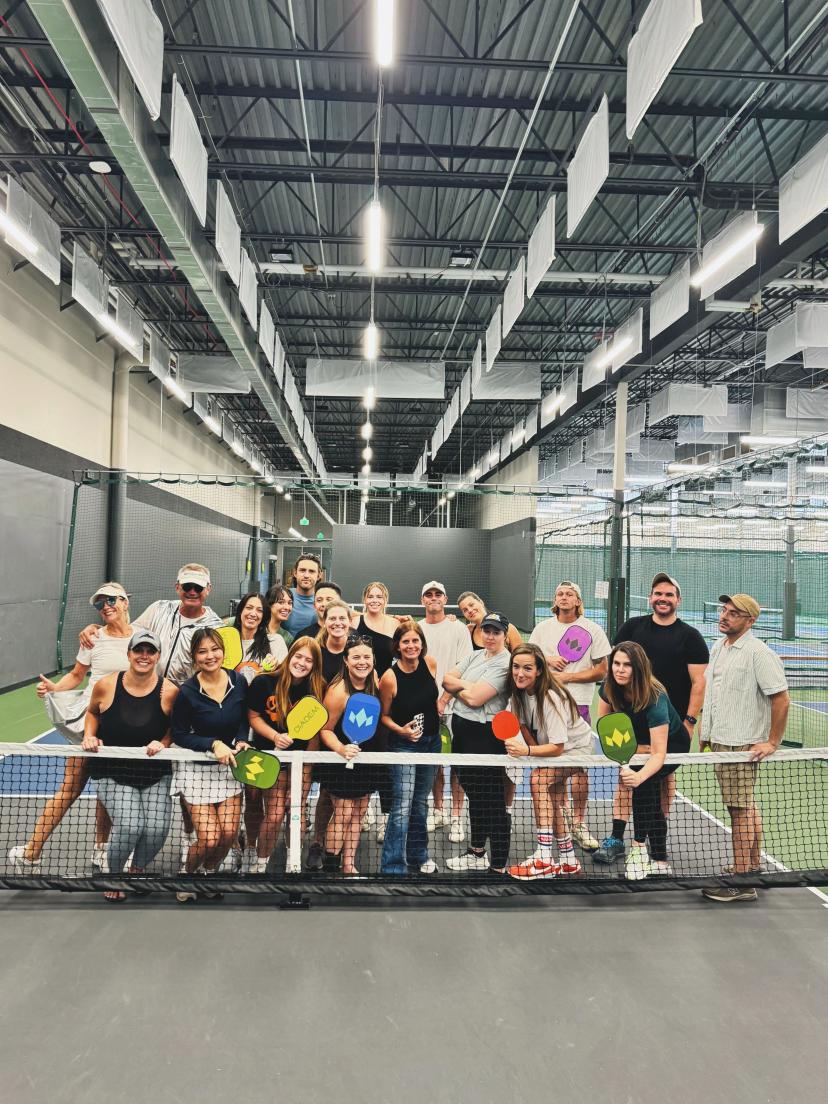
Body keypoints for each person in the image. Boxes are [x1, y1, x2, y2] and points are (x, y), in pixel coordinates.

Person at [9, 582, 132, 875]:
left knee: (109, 790)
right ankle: (32, 851)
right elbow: (77, 675)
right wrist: (55, 688)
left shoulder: (142, 637)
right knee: (70, 788)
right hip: (91, 721)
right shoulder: (94, 639)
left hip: (126, 724)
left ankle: (103, 849)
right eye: (100, 604)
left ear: (125, 602)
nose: (105, 607)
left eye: (111, 600)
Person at [599, 573, 709, 863]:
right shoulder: (632, 628)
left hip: (668, 725)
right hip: (634, 723)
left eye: (669, 594)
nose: (663, 598)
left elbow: (699, 683)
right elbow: (614, 670)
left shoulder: (691, 637)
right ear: (650, 597)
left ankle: (649, 842)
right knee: (628, 779)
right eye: (658, 593)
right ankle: (618, 838)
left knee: (658, 782)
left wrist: (688, 722)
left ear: (678, 600)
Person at [699, 594, 789, 903]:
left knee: (739, 810)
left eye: (734, 613)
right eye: (724, 609)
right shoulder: (718, 647)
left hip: (742, 744)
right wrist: (706, 731)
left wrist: (772, 741)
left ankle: (740, 881)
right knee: (744, 805)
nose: (725, 616)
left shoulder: (758, 653)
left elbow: (781, 698)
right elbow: (714, 692)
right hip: (723, 741)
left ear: (749, 621)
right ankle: (750, 865)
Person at [81, 630, 178, 901]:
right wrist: (89, 734)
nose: (144, 656)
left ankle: (136, 871)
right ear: (129, 654)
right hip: (112, 771)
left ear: (158, 657)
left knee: (158, 828)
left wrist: (164, 742)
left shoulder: (170, 691)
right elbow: (92, 712)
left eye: (150, 651)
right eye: (139, 650)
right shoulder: (107, 685)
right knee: (131, 825)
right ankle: (114, 875)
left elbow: (175, 728)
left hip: (154, 771)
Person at [529, 580, 610, 853]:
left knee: (578, 766)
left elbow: (602, 671)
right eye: (559, 593)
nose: (563, 597)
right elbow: (529, 659)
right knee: (554, 765)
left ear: (578, 600)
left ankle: (578, 822)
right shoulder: (542, 629)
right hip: (546, 705)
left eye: (569, 594)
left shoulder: (592, 629)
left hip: (579, 705)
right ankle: (561, 818)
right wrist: (547, 660)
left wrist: (569, 676)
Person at [170, 628, 250, 902]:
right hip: (196, 772)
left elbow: (243, 720)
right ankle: (188, 875)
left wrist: (241, 740)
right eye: (202, 651)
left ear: (223, 651)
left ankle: (209, 871)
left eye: (214, 649)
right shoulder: (187, 692)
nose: (210, 656)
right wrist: (212, 744)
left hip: (228, 770)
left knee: (229, 834)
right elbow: (180, 734)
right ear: (194, 657)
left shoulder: (238, 682)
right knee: (209, 838)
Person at [597, 642, 688, 880]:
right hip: (638, 740)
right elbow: (605, 726)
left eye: (627, 665)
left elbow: (659, 753)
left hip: (672, 745)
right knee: (646, 791)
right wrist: (632, 748)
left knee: (645, 785)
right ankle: (658, 858)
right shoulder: (609, 688)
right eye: (616, 663)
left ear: (639, 668)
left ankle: (641, 851)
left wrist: (638, 775)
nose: (620, 669)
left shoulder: (654, 699)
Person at [503, 644, 595, 879]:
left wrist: (527, 750)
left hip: (577, 749)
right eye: (516, 667)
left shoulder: (550, 697)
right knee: (553, 794)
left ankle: (544, 857)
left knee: (538, 780)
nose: (519, 673)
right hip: (557, 750)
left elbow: (558, 747)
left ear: (540, 670)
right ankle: (567, 859)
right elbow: (521, 726)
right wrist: (526, 746)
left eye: (527, 668)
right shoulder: (519, 696)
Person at [246, 636, 326, 873]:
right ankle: (260, 864)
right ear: (290, 656)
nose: (301, 663)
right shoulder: (264, 682)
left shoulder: (317, 688)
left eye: (308, 660)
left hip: (300, 760)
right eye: (298, 656)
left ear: (315, 665)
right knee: (274, 814)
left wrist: (305, 771)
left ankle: (293, 861)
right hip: (270, 758)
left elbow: (314, 735)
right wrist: (274, 736)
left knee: (297, 811)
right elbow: (253, 716)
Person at [442, 612, 512, 873]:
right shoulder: (475, 654)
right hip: (461, 731)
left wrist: (461, 688)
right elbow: (446, 679)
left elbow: (475, 699)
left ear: (505, 635)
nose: (490, 636)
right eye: (487, 631)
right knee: (475, 796)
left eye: (496, 632)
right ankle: (476, 852)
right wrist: (468, 686)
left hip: (485, 736)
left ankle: (497, 865)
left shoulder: (505, 664)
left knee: (491, 800)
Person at [319, 636, 386, 875]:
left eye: (366, 657)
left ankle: (349, 864)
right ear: (346, 661)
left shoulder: (374, 682)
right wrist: (341, 749)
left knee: (359, 812)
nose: (362, 662)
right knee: (344, 813)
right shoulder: (338, 691)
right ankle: (330, 866)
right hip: (342, 761)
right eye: (356, 657)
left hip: (367, 758)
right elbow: (325, 730)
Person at [379, 621, 440, 875]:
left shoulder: (431, 664)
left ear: (421, 643)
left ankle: (419, 856)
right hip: (404, 746)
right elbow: (384, 716)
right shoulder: (390, 678)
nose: (411, 646)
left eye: (415, 641)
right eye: (406, 642)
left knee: (420, 803)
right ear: (398, 646)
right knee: (402, 806)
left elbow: (431, 699)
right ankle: (393, 865)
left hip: (432, 743)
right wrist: (401, 730)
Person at [419, 580, 473, 843]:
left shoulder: (458, 628)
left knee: (458, 765)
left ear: (445, 598)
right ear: (423, 601)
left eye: (437, 594)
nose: (433, 598)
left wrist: (443, 700)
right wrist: (428, 702)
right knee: (434, 763)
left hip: (456, 707)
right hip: (425, 708)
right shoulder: (415, 629)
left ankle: (456, 817)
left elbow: (463, 667)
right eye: (428, 595)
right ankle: (438, 810)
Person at [305, 598, 354, 869]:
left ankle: (340, 851)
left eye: (342, 618)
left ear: (349, 621)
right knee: (325, 793)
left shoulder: (357, 649)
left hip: (352, 734)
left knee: (347, 799)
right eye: (331, 618)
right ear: (324, 621)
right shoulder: (316, 652)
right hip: (320, 732)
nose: (337, 623)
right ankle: (317, 843)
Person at [233, 590, 288, 676]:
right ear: (241, 611)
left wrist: (275, 668)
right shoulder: (228, 642)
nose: (253, 614)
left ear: (263, 616)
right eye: (249, 608)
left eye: (259, 610)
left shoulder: (275, 641)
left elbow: (285, 675)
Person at [355, 581, 397, 677]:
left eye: (379, 597)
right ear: (364, 600)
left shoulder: (395, 624)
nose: (374, 600)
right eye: (370, 597)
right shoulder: (355, 622)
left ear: (385, 600)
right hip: (359, 680)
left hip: (385, 682)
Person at [457, 592, 523, 652]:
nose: (470, 610)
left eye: (471, 605)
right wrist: (450, 618)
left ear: (481, 602)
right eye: (465, 610)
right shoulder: (469, 630)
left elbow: (521, 657)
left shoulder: (508, 628)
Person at [283, 553, 323, 637]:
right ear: (295, 573)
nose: (306, 575)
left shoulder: (324, 601)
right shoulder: (282, 597)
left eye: (311, 571)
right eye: (302, 570)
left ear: (319, 575)